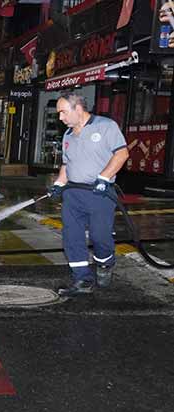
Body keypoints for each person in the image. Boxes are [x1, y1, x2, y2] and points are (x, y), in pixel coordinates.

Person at [47, 92, 129, 295]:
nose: (60, 118)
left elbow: (122, 154)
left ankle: (105, 263)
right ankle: (82, 279)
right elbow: (67, 164)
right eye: (58, 114)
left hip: (99, 192)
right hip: (73, 193)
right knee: (71, 236)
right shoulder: (68, 135)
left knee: (100, 236)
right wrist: (59, 183)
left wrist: (104, 177)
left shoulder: (106, 126)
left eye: (63, 112)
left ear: (78, 109)